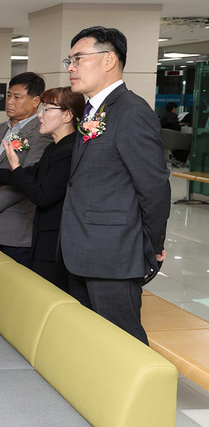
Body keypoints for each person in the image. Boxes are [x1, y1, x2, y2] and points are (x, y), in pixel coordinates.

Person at [60, 26, 170, 344]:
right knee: (91, 339)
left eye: (78, 58)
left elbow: (154, 188)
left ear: (109, 60)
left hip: (113, 253)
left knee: (123, 340)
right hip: (83, 248)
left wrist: (152, 246)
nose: (70, 67)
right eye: (69, 60)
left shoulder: (132, 112)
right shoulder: (94, 110)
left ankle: (146, 381)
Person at [0, 87, 84, 291]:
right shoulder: (55, 147)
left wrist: (16, 167)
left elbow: (42, 195)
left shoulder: (68, 151)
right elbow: (29, 175)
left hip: (55, 241)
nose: (40, 115)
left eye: (47, 109)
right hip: (43, 237)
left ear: (67, 116)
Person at [0, 72, 51, 265]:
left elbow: (26, 180)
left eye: (17, 97)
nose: (10, 101)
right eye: (9, 95)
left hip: (13, 231)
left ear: (35, 101)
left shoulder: (41, 134)